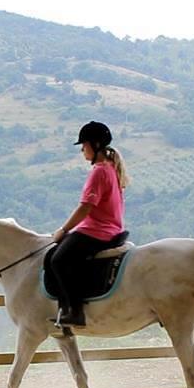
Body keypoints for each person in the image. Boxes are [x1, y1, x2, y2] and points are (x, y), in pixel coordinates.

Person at [47, 121, 129, 333]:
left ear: (95, 144)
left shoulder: (99, 171)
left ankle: (75, 311)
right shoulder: (111, 168)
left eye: (84, 145)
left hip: (97, 230)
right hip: (111, 228)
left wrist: (63, 230)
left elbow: (85, 207)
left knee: (58, 260)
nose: (82, 149)